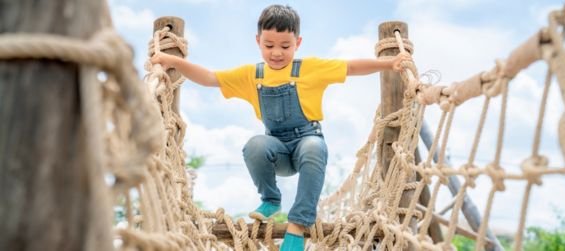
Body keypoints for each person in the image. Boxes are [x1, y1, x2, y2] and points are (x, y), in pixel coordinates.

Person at [151, 4, 411, 251]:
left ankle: (298, 225)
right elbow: (210, 78)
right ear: (258, 42)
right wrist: (173, 62)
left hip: (307, 142)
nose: (277, 52)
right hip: (277, 148)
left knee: (312, 147)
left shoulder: (310, 69)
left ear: (297, 43)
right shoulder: (253, 75)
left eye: (285, 46)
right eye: (269, 45)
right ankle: (271, 199)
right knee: (255, 145)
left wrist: (389, 63)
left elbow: (351, 67)